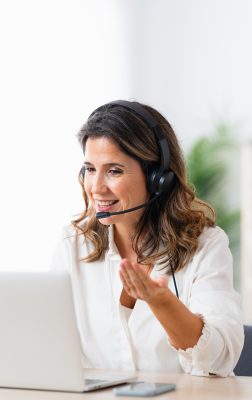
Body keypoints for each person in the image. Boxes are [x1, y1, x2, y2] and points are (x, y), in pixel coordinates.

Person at [52, 100, 244, 376]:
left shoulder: (206, 245)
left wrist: (162, 303)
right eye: (90, 169)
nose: (96, 187)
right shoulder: (73, 243)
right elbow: (52, 348)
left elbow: (219, 361)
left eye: (114, 170)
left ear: (158, 178)